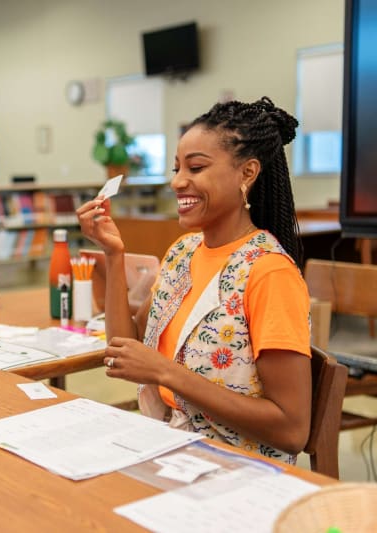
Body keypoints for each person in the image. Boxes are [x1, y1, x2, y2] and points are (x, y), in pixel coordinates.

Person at [78, 97, 311, 463]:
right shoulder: (184, 252)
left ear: (247, 173)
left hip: (236, 467)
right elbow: (125, 350)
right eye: (176, 169)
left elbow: (292, 430)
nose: (178, 182)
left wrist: (167, 373)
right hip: (173, 447)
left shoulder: (269, 272)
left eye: (196, 168)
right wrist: (113, 254)